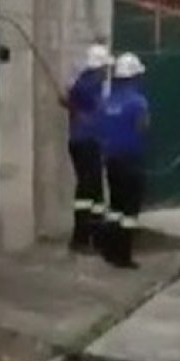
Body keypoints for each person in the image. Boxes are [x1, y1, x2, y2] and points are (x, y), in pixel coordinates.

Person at [97, 52, 150, 269]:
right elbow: (143, 127)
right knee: (130, 210)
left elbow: (100, 129)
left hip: (111, 159)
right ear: (134, 76)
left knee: (115, 207)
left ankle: (110, 250)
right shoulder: (138, 102)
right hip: (131, 159)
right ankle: (124, 255)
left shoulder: (107, 101)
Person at [62, 43, 112, 253]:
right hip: (86, 141)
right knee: (88, 189)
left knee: (94, 191)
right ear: (99, 67)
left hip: (83, 140)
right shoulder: (91, 85)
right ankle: (82, 238)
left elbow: (71, 100)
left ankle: (94, 235)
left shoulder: (82, 82)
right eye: (105, 68)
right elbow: (98, 110)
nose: (107, 72)